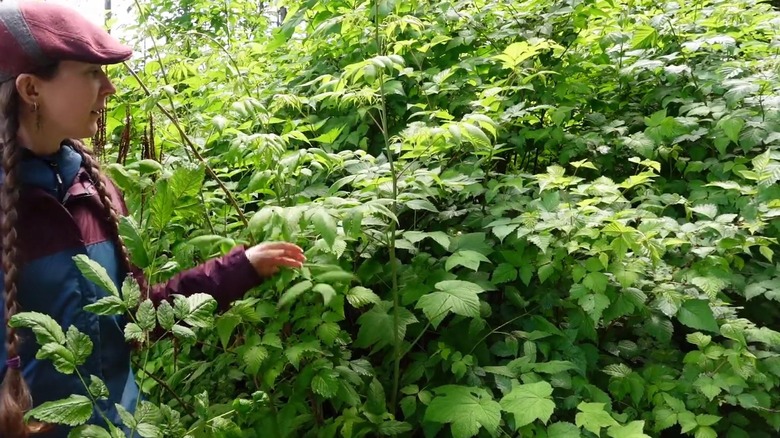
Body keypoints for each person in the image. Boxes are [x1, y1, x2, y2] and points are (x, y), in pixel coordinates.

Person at [0, 2, 306, 436]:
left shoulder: (95, 190)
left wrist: (241, 267)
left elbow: (137, 319)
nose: (109, 88)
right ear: (31, 89)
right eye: (92, 72)